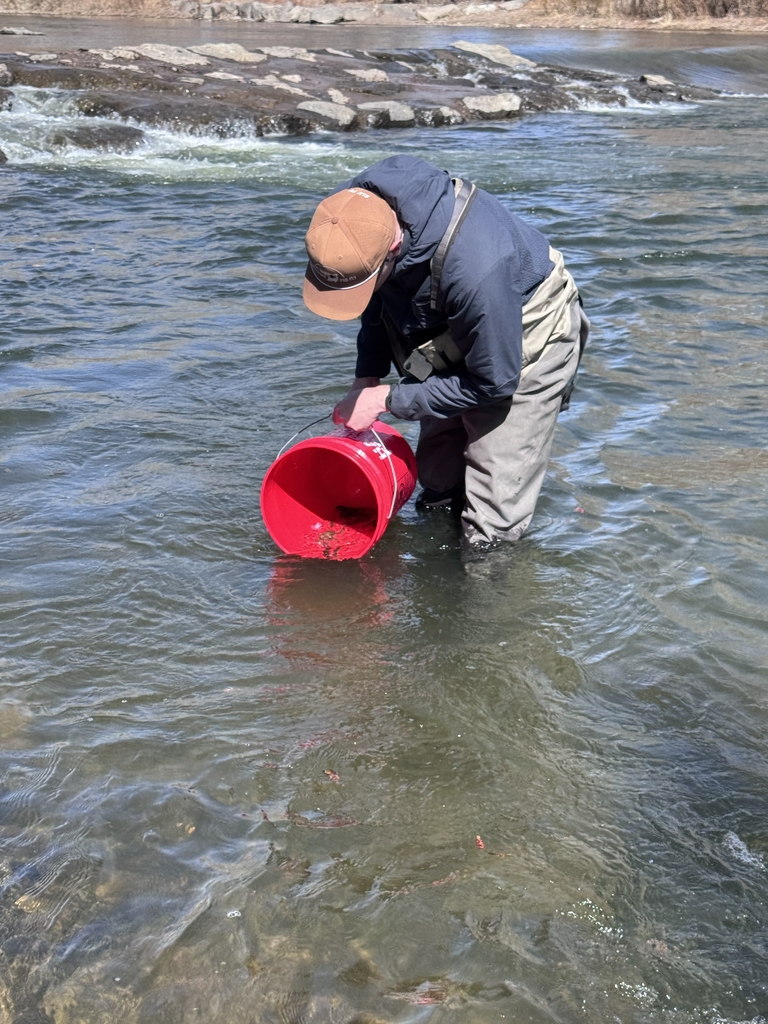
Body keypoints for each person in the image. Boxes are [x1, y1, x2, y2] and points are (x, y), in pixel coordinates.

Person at [302, 155, 589, 547]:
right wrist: (366, 374)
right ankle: (439, 530)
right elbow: (374, 299)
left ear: (394, 245)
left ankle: (486, 589)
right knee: (437, 480)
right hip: (444, 320)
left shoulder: (477, 271)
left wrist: (388, 397)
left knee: (492, 519)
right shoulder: (352, 213)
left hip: (524, 324)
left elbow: (495, 382)